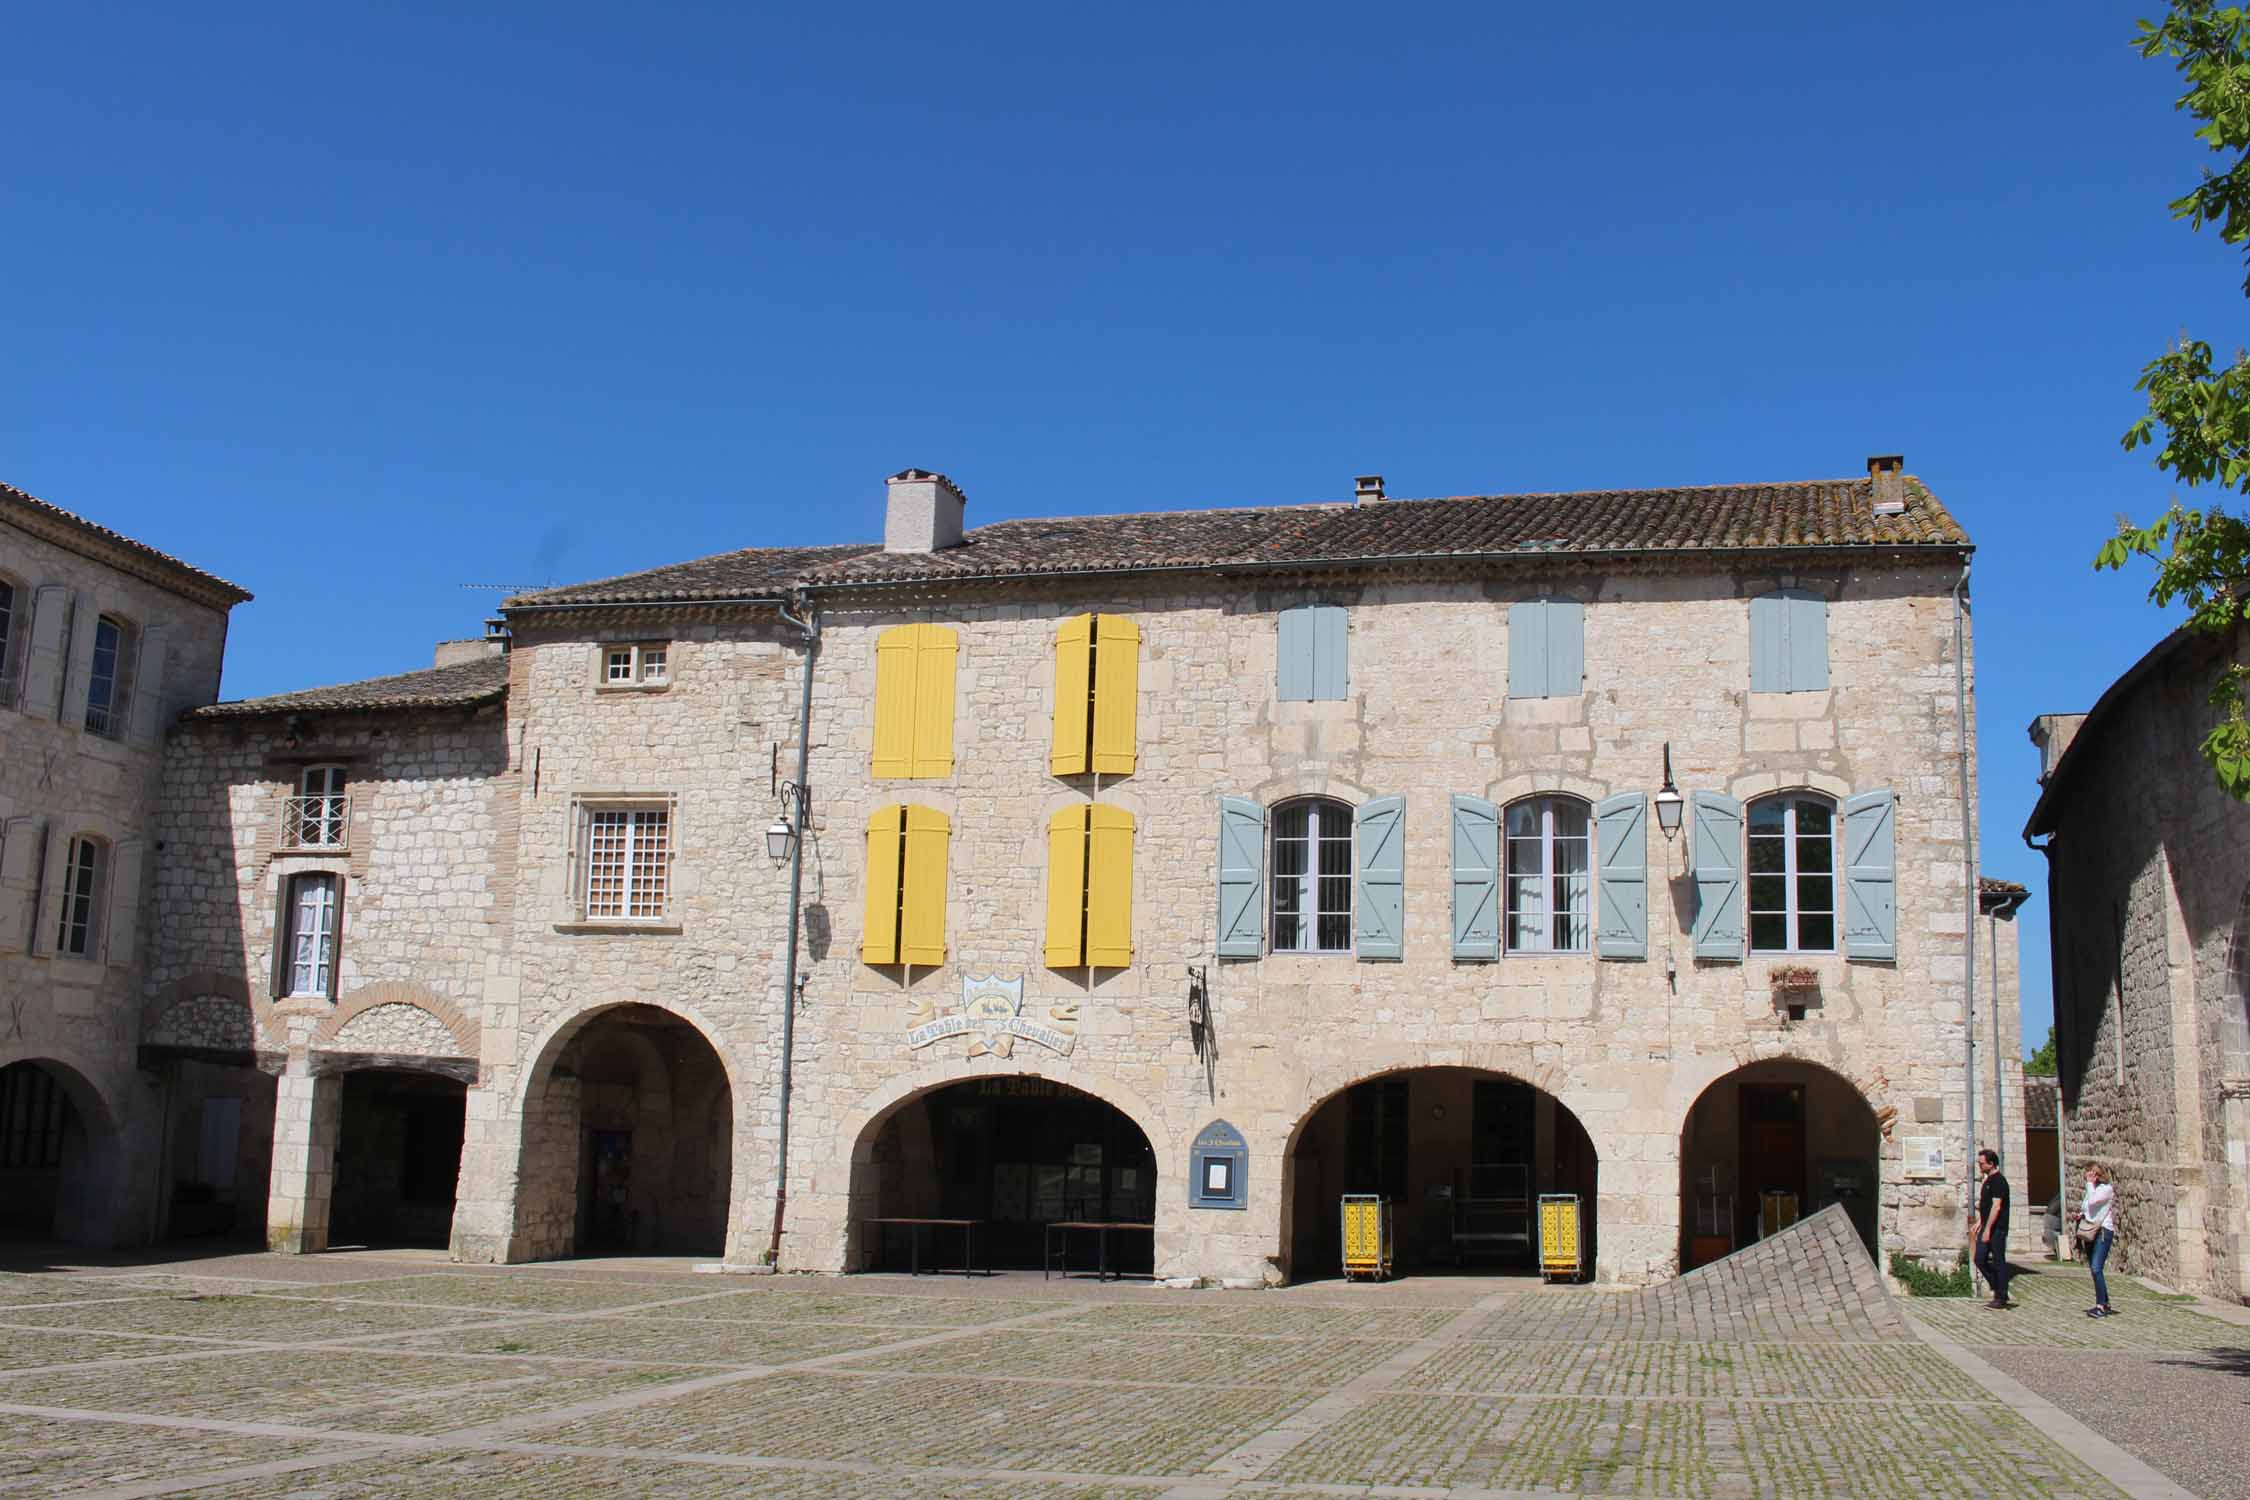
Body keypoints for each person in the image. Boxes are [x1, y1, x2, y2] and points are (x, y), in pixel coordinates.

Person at [1973, 1148, 2013, 1309]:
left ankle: (2001, 1296)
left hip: (1997, 1229)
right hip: (1987, 1225)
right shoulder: (1988, 1180)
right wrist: (1980, 1222)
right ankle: (1998, 1287)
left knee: (1998, 1261)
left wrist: (1988, 1229)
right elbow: (1987, 1206)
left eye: (1982, 1163)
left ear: (1991, 1163)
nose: (1979, 1166)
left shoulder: (1999, 1181)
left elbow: (1996, 1207)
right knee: (1979, 1258)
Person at [2079, 1163, 2117, 1318]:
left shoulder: (2106, 1189)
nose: (2088, 1176)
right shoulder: (2092, 1189)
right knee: (2094, 1269)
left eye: (2091, 1174)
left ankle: (2100, 1306)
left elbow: (2093, 1201)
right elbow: (2086, 1206)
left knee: (2096, 1267)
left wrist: (2089, 1184)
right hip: (2091, 1231)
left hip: (2103, 1231)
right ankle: (2105, 1302)